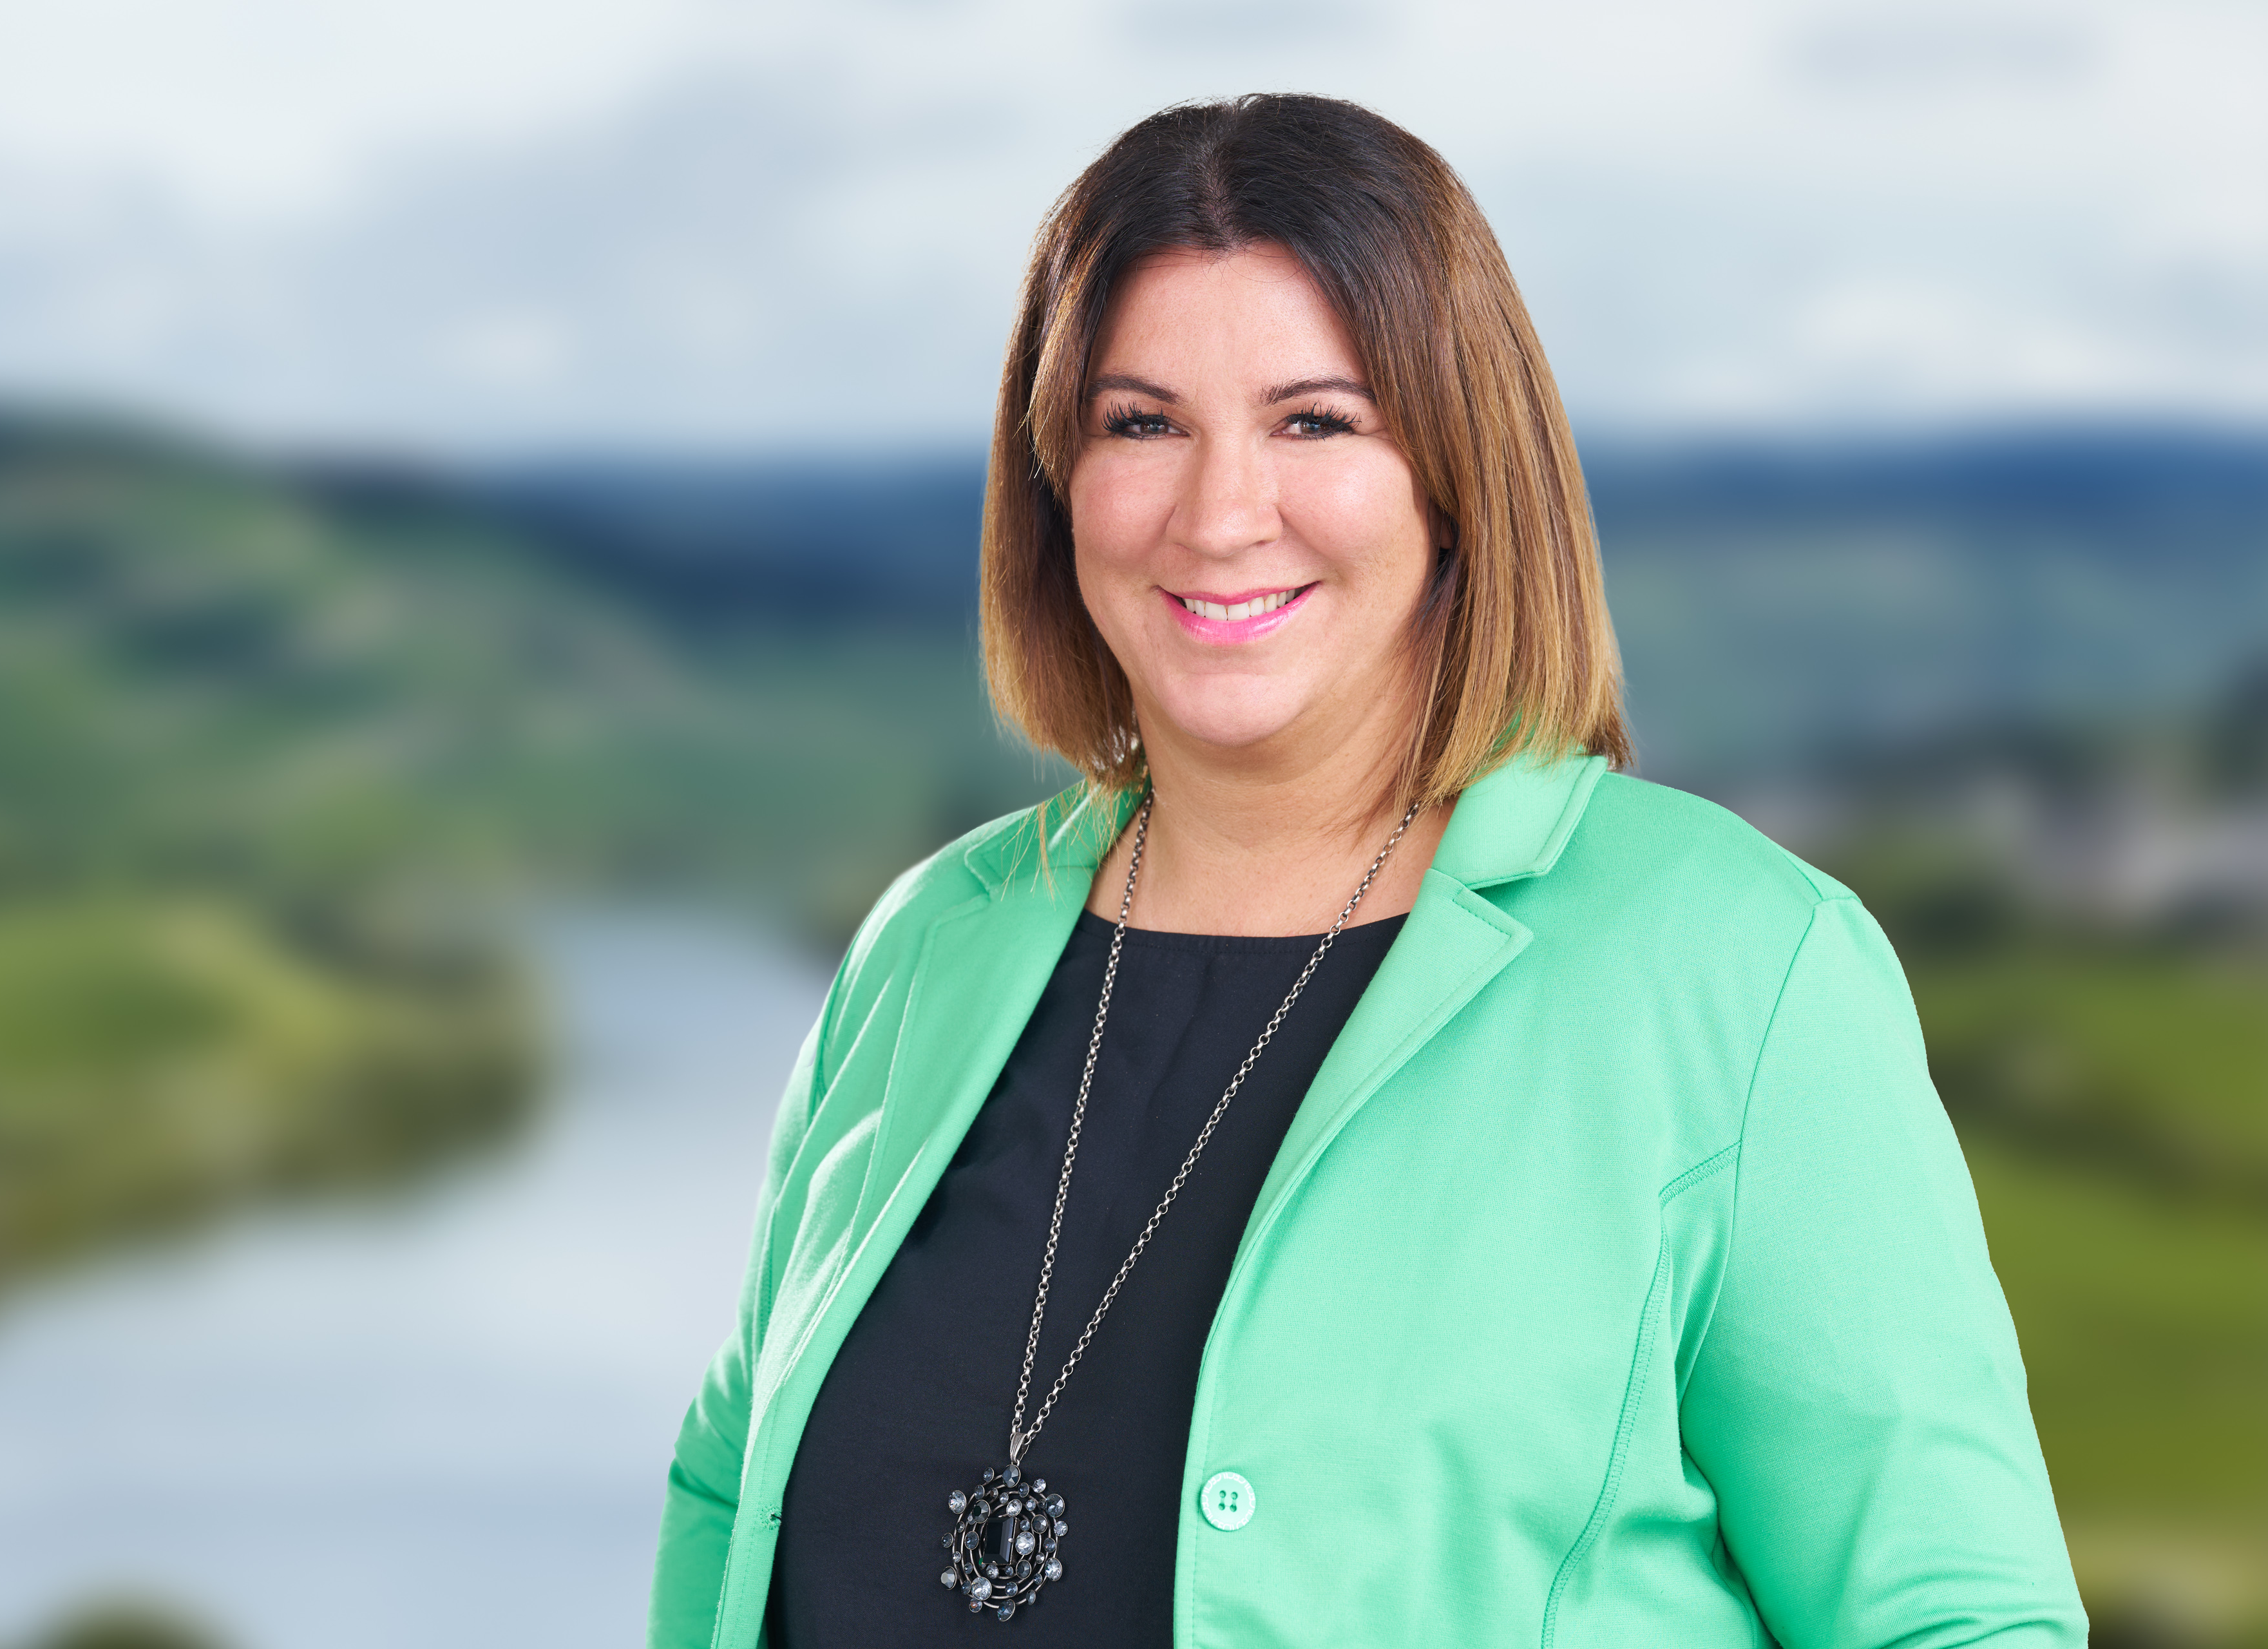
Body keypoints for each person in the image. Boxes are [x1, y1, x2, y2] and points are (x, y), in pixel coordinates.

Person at [650, 93, 2085, 1648]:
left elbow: (1956, 1616)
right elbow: (731, 1487)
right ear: (1055, 475)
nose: (1219, 515)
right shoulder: (928, 943)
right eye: (1143, 423)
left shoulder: (1736, 965)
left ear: (1458, 475)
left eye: (1316, 421)